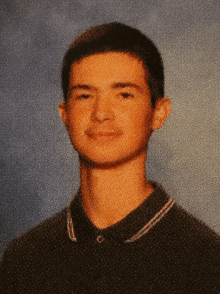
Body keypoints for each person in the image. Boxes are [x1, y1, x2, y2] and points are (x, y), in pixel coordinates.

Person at [1, 22, 220, 294]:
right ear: (65, 114)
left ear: (159, 113)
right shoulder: (24, 258)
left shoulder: (207, 259)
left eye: (124, 94)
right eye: (84, 95)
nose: (101, 113)